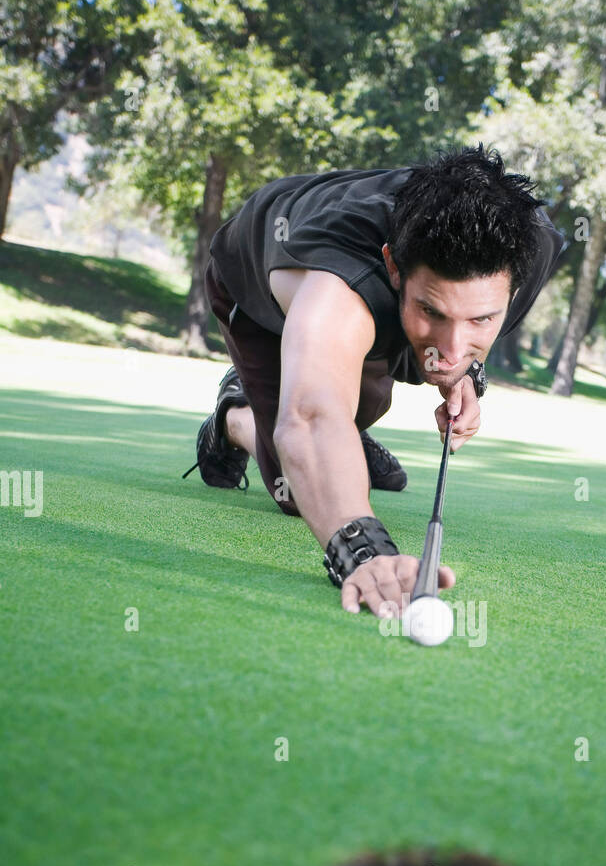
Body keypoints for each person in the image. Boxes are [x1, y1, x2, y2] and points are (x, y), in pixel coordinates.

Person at [182, 143, 568, 616]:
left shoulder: (531, 246)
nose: (451, 348)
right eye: (433, 309)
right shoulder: (338, 284)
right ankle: (234, 416)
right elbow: (309, 417)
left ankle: (353, 423)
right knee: (293, 484)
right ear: (392, 265)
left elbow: (454, 340)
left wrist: (466, 373)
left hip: (378, 304)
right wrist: (361, 547)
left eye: (481, 319)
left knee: (369, 399)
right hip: (257, 288)